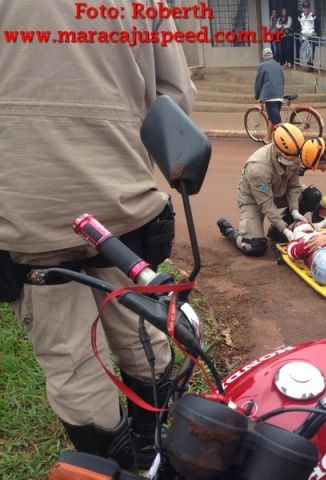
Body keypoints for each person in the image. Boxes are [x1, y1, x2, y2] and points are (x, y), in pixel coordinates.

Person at [0, 0, 197, 471]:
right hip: (124, 204)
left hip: (27, 211)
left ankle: (119, 464)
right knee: (139, 331)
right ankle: (150, 448)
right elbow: (175, 99)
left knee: (70, 359)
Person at [217, 123, 323, 256]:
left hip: (280, 191)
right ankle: (231, 232)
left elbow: (294, 186)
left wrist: (294, 210)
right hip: (254, 199)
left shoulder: (294, 154)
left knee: (312, 195)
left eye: (295, 157)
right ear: (277, 148)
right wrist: (285, 229)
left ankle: (276, 230)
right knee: (254, 247)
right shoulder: (258, 168)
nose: (293, 161)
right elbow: (266, 204)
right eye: (288, 157)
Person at [255, 47, 285, 143]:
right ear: (272, 55)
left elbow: (258, 83)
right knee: (272, 117)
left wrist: (258, 96)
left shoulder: (262, 66)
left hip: (270, 96)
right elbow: (283, 80)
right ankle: (268, 138)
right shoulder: (278, 65)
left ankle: (284, 140)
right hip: (279, 95)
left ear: (263, 56)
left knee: (277, 121)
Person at [297, 2, 320, 72]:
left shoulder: (313, 16)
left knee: (311, 51)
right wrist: (301, 32)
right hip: (304, 37)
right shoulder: (300, 17)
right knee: (305, 51)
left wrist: (314, 33)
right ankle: (309, 65)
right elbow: (297, 27)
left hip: (311, 37)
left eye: (307, 8)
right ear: (303, 9)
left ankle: (310, 66)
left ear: (309, 9)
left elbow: (318, 26)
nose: (306, 9)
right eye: (305, 8)